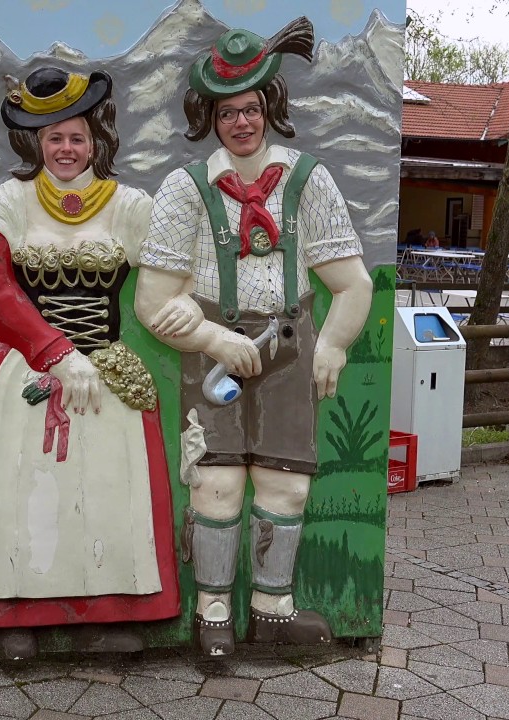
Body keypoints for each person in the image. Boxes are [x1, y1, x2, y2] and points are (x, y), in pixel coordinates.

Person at [135, 18, 373, 656]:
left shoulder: (308, 182)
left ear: (269, 108)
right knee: (216, 482)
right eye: (226, 112)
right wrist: (212, 338)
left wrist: (334, 345)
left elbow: (352, 285)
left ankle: (272, 608)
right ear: (209, 118)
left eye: (250, 109)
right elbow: (152, 302)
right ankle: (212, 613)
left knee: (285, 480)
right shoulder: (185, 190)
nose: (241, 123)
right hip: (214, 355)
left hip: (291, 346)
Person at [0, 66, 180, 660]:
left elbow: (170, 274)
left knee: (108, 487)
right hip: (27, 371)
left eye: (76, 137)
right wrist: (53, 351)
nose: (66, 148)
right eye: (54, 138)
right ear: (36, 144)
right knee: (27, 489)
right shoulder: (8, 200)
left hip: (105, 367)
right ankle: (15, 614)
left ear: (96, 141)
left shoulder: (130, 205)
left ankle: (108, 610)